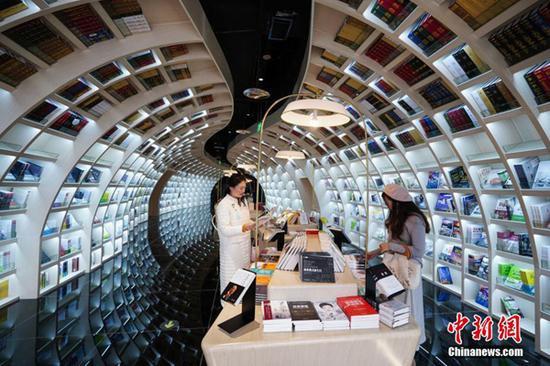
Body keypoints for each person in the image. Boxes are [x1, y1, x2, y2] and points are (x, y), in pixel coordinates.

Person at [367, 184, 430, 353]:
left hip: (406, 271)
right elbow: (391, 244)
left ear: (396, 201)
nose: (387, 204)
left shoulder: (414, 220)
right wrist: (373, 254)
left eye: (388, 201)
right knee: (393, 306)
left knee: (408, 310)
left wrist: (395, 247)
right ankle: (395, 344)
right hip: (393, 267)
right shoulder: (396, 217)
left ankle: (408, 347)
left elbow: (418, 251)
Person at [215, 174, 255, 295]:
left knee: (244, 277)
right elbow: (224, 229)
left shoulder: (243, 203)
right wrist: (242, 227)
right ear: (231, 187)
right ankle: (227, 306)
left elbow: (245, 221)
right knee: (231, 277)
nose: (243, 191)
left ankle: (242, 302)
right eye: (240, 188)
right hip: (231, 249)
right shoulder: (223, 205)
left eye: (244, 188)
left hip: (244, 246)